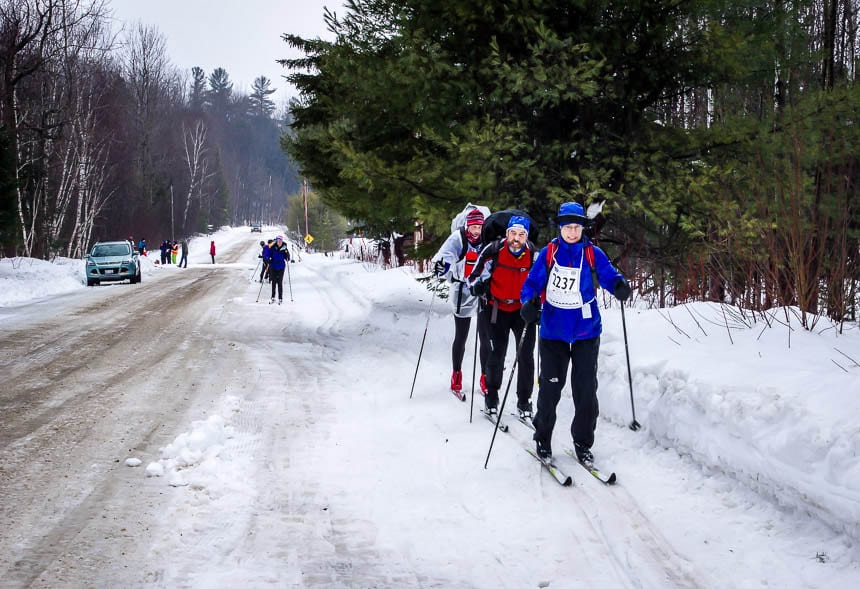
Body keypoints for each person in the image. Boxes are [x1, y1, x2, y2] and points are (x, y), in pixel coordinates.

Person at [519, 201, 630, 463]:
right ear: (559, 227)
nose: (571, 232)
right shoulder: (548, 253)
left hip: (586, 332)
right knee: (550, 389)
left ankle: (583, 442)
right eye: (567, 227)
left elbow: (608, 275)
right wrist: (527, 303)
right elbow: (532, 283)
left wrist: (619, 286)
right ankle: (543, 439)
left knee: (585, 390)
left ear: (583, 228)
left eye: (576, 227)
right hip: (553, 331)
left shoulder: (592, 253)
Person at [468, 215, 538, 416]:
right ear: (507, 234)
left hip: (523, 311)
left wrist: (538, 305)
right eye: (513, 233)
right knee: (496, 354)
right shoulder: (493, 251)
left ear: (526, 236)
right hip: (496, 309)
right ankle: (491, 395)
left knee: (525, 355)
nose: (516, 238)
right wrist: (477, 287)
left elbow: (542, 283)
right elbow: (472, 277)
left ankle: (524, 401)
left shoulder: (534, 255)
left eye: (521, 234)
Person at [430, 207, 491, 396]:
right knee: (461, 336)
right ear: (467, 225)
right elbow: (445, 256)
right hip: (462, 291)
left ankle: (485, 376)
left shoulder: (487, 239)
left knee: (485, 337)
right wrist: (441, 266)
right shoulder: (459, 238)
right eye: (473, 226)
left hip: (482, 290)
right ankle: (456, 374)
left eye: (479, 227)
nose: (476, 231)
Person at [264, 235, 290, 303]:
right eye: (278, 241)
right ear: (276, 241)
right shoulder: (272, 247)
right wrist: (268, 259)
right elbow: (267, 253)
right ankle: (273, 297)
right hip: (273, 266)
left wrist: (287, 256)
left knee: (280, 282)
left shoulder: (284, 247)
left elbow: (287, 257)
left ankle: (280, 297)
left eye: (281, 241)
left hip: (281, 267)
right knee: (274, 282)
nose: (279, 242)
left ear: (282, 241)